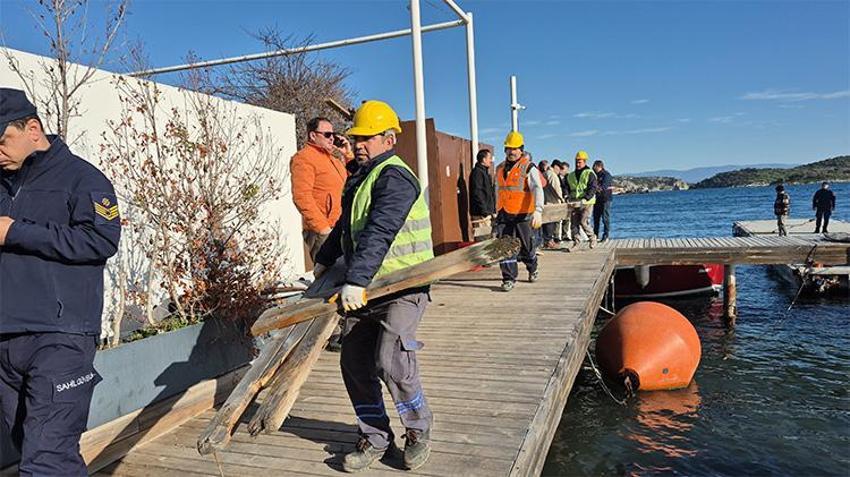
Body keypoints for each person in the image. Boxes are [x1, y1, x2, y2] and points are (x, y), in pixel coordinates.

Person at [0, 88, 121, 475]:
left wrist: (17, 231)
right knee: (29, 448)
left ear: (32, 128)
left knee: (46, 460)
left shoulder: (84, 178)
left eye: (1, 141)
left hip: (60, 337)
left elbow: (101, 239)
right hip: (5, 338)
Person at [313, 100, 434, 472]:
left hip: (402, 286)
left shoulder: (396, 178)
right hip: (366, 288)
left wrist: (355, 280)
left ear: (389, 138)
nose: (359, 143)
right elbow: (347, 227)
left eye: (367, 137)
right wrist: (324, 260)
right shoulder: (361, 175)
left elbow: (380, 231)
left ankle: (417, 429)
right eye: (357, 137)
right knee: (353, 361)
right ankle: (376, 436)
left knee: (390, 358)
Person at [290, 116, 352, 268]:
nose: (332, 139)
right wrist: (323, 229)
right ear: (313, 135)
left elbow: (353, 182)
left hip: (340, 229)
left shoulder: (334, 160)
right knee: (328, 278)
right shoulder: (304, 158)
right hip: (323, 232)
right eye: (327, 135)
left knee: (342, 275)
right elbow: (301, 196)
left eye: (333, 134)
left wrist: (347, 155)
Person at [494, 131, 545, 292]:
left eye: (515, 148)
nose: (511, 151)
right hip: (504, 214)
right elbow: (497, 190)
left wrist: (538, 210)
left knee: (527, 245)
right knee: (504, 247)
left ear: (521, 149)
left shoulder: (529, 167)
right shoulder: (499, 168)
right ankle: (508, 278)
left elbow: (537, 188)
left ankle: (532, 267)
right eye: (508, 148)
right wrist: (493, 211)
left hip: (523, 214)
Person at [564, 150, 598, 249]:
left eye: (580, 162)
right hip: (574, 202)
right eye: (576, 161)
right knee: (574, 223)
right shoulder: (570, 175)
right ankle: (576, 242)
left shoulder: (590, 173)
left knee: (583, 222)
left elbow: (593, 187)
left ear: (585, 162)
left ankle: (592, 238)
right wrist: (566, 195)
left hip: (587, 202)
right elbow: (566, 186)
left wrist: (586, 198)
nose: (578, 164)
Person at [542, 158, 564, 248]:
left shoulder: (545, 173)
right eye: (559, 169)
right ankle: (549, 241)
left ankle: (546, 240)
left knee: (546, 223)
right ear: (555, 167)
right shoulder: (551, 174)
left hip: (546, 200)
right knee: (550, 222)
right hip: (551, 201)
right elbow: (556, 188)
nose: (559, 172)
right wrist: (561, 199)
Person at [469, 148, 495, 221]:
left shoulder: (485, 173)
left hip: (487, 213)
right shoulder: (477, 173)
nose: (491, 161)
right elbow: (477, 193)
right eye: (489, 158)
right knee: (483, 232)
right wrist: (484, 212)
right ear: (484, 159)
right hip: (481, 215)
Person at [592, 159, 614, 241]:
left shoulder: (606, 175)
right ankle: (595, 235)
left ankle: (606, 235)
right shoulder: (594, 175)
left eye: (594, 166)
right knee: (596, 218)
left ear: (599, 166)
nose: (593, 168)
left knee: (605, 217)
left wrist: (596, 188)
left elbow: (604, 187)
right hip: (597, 199)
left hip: (605, 199)